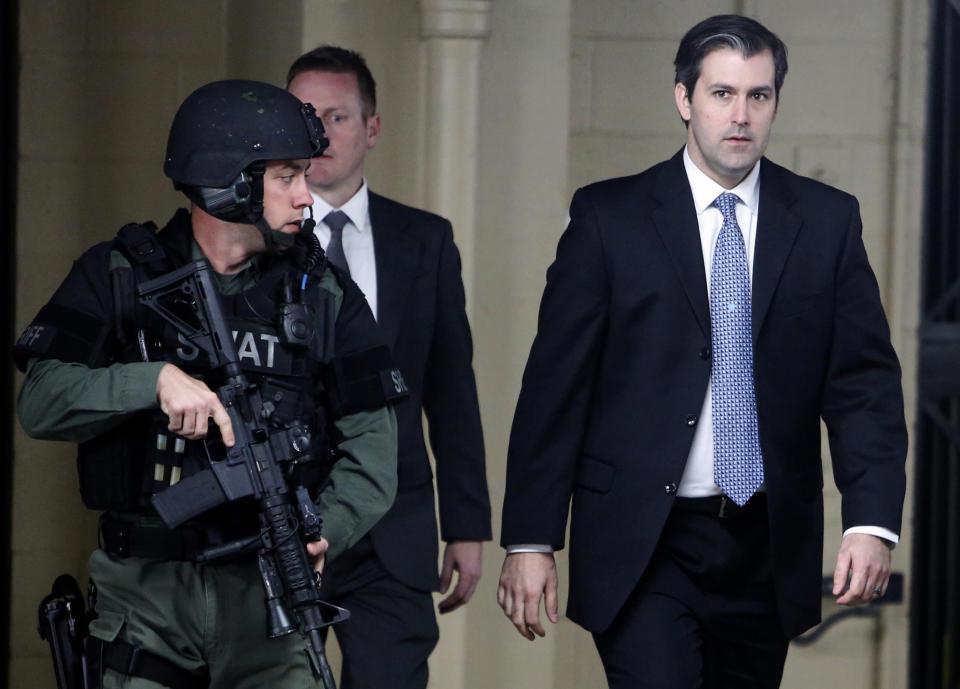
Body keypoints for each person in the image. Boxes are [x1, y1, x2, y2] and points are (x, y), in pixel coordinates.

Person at [496, 14, 907, 689]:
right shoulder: (610, 218)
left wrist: (871, 520)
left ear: (775, 102)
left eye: (758, 95)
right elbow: (556, 386)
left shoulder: (828, 221)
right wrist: (531, 537)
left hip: (766, 543)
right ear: (684, 99)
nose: (740, 115)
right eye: (722, 94)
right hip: (645, 540)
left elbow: (862, 382)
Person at [15, 79, 400, 688]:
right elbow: (40, 402)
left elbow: (375, 449)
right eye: (286, 177)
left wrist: (325, 530)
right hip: (146, 603)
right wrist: (153, 381)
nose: (307, 195)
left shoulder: (321, 292)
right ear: (231, 184)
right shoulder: (117, 274)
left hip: (270, 604)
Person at [285, 46, 491, 689]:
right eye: (303, 116)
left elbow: (452, 391)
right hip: (287, 520)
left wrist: (466, 525)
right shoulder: (255, 242)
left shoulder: (425, 240)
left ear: (372, 128)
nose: (318, 133)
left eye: (337, 117)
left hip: (395, 527)